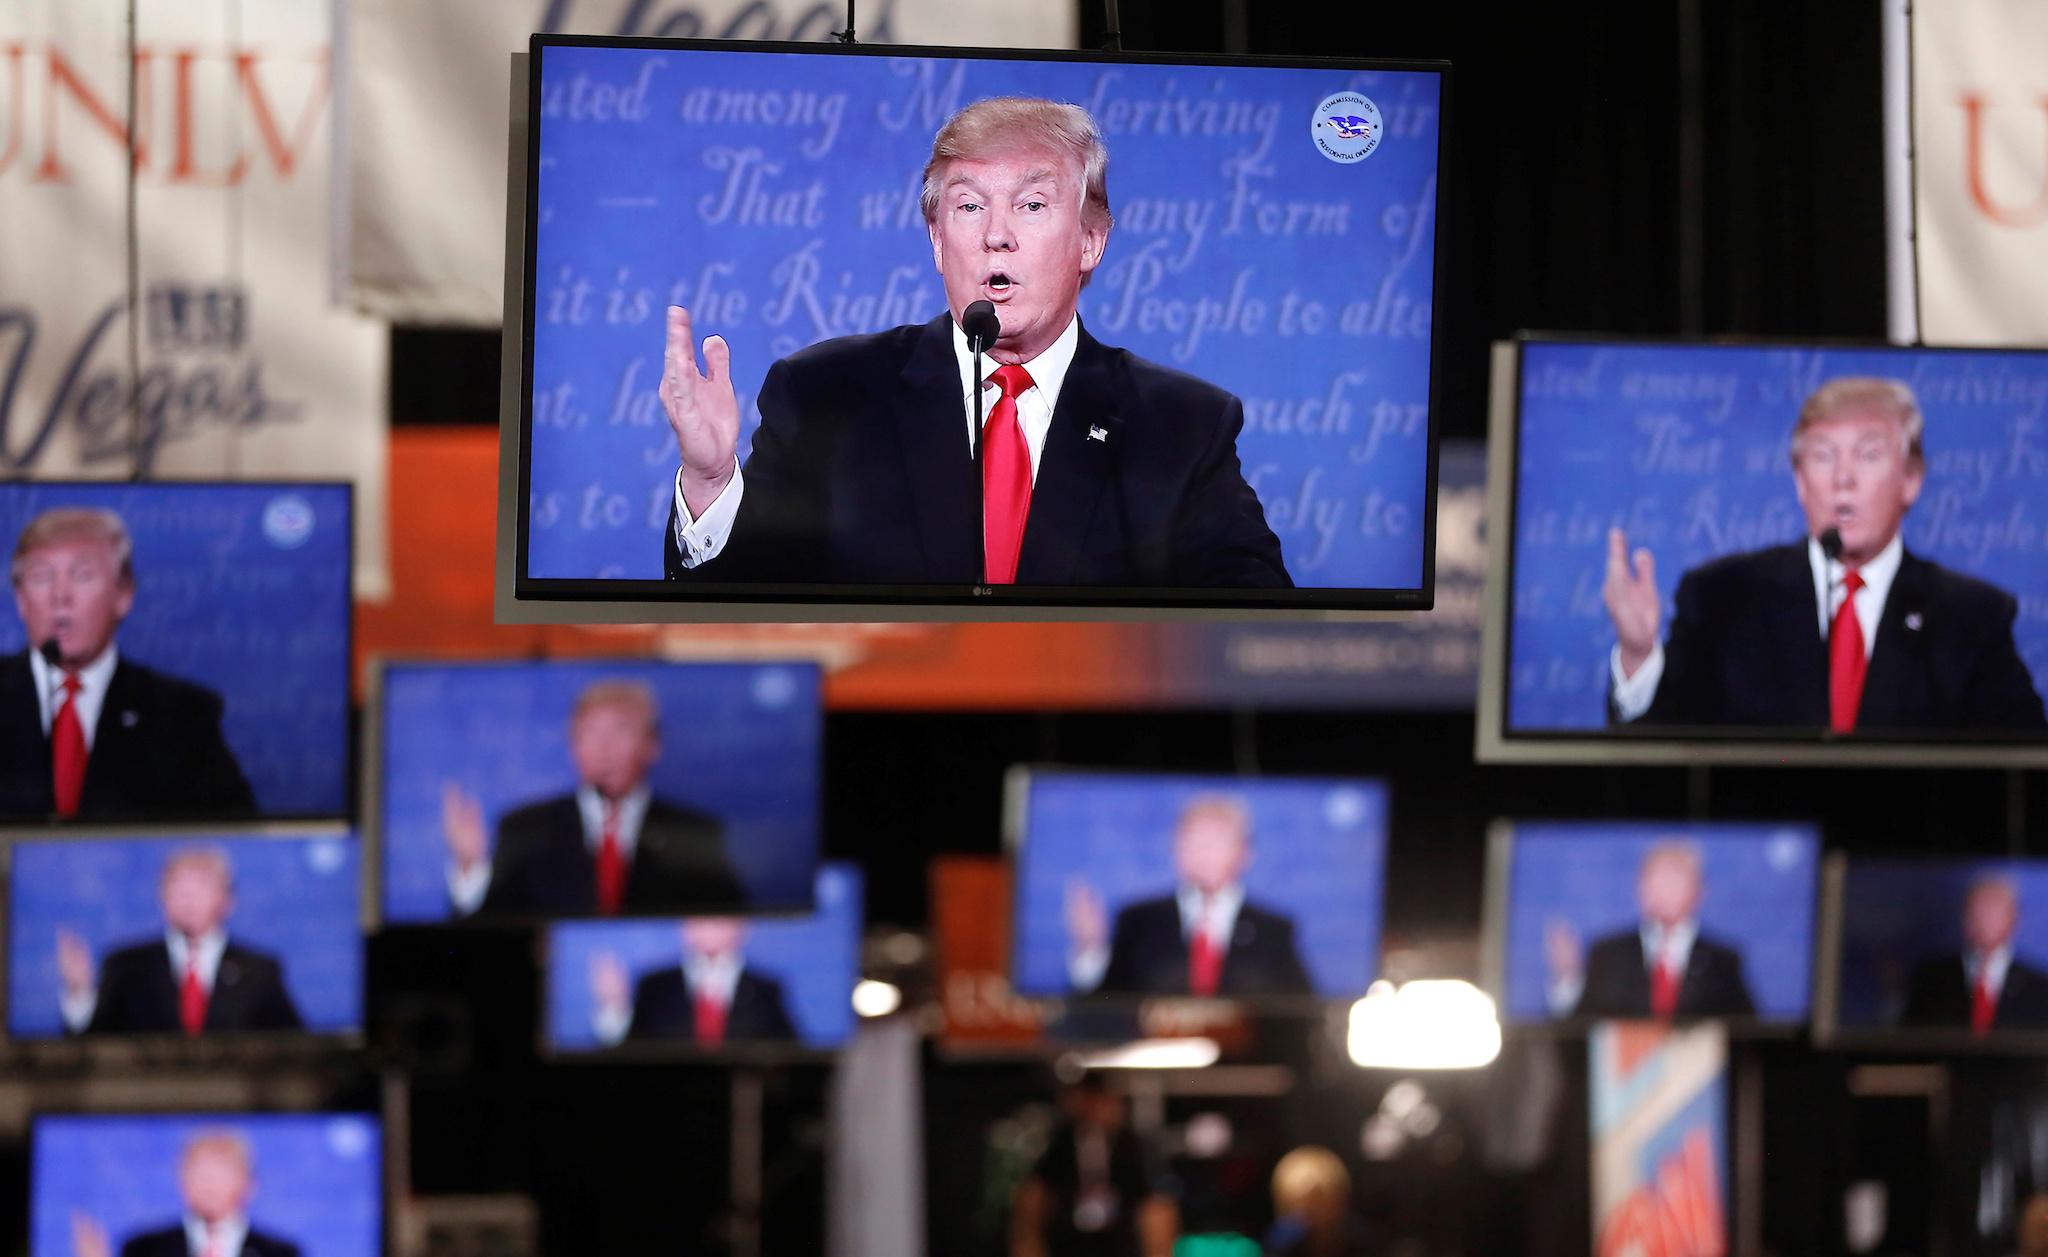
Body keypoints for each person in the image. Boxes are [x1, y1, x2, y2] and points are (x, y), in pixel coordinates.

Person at [659, 95, 1290, 590]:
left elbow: (1255, 622)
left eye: (1033, 204)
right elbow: (744, 610)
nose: (997, 236)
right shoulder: (829, 393)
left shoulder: (1180, 424)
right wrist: (712, 480)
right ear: (936, 239)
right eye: (968, 207)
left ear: (1092, 240)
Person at [1602, 377, 2046, 732]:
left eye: (1868, 455)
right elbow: (1661, 757)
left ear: (1911, 480)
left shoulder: (1970, 616)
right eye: (1823, 456)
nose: (1843, 478)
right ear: (1799, 481)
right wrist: (1639, 656)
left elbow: (2022, 769)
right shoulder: (1723, 597)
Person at [0, 507, 254, 818]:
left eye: (82, 575)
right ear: (21, 600)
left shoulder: (182, 715)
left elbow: (234, 835)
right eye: (42, 577)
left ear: (124, 594)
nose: (60, 595)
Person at [441, 679, 744, 918]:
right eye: (591, 733)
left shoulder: (696, 833)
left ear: (653, 745)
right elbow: (489, 935)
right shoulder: (524, 827)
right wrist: (471, 867)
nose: (604, 748)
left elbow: (729, 920)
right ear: (573, 746)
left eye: (620, 731)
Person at [1065, 796, 1313, 998]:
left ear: (1244, 853)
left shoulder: (1274, 929)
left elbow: (1300, 1011)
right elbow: (1103, 1009)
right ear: (1176, 850)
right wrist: (1089, 948)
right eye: (1193, 840)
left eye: (1215, 841)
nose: (1203, 852)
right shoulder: (1138, 921)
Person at [57, 846, 302, 1036]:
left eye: (200, 886)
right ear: (162, 897)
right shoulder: (125, 966)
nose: (188, 898)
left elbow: (295, 1048)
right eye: (178, 887)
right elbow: (90, 1048)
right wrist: (79, 993)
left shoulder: (259, 971)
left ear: (227, 899)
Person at [1544, 842, 1756, 1020]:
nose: (1666, 889)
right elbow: (1577, 1031)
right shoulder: (1608, 954)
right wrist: (1566, 978)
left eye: (1676, 879)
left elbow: (1749, 1035)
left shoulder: (1723, 961)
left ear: (1699, 891)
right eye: (1658, 879)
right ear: (1641, 888)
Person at [1009, 1076, 1177, 1257]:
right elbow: (1034, 1195)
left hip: (1120, 1240)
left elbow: (1153, 1204)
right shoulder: (1061, 1145)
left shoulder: (1131, 1147)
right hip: (1068, 1239)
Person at [71, 1129, 302, 1257]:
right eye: (200, 1172)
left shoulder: (280, 1253)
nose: (209, 1184)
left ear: (249, 1183)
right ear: (182, 1181)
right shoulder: (144, 1249)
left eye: (220, 1173)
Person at [589, 917, 797, 1048]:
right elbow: (627, 1058)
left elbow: (793, 1056)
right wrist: (614, 1008)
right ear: (685, 926)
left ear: (743, 926)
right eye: (701, 916)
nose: (710, 925)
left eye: (720, 916)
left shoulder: (766, 990)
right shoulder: (654, 986)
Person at [1901, 875, 2048, 1034]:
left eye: (1993, 911)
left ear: (2013, 919)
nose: (1984, 921)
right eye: (1977, 911)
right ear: (1964, 917)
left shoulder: (2040, 987)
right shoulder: (1930, 978)